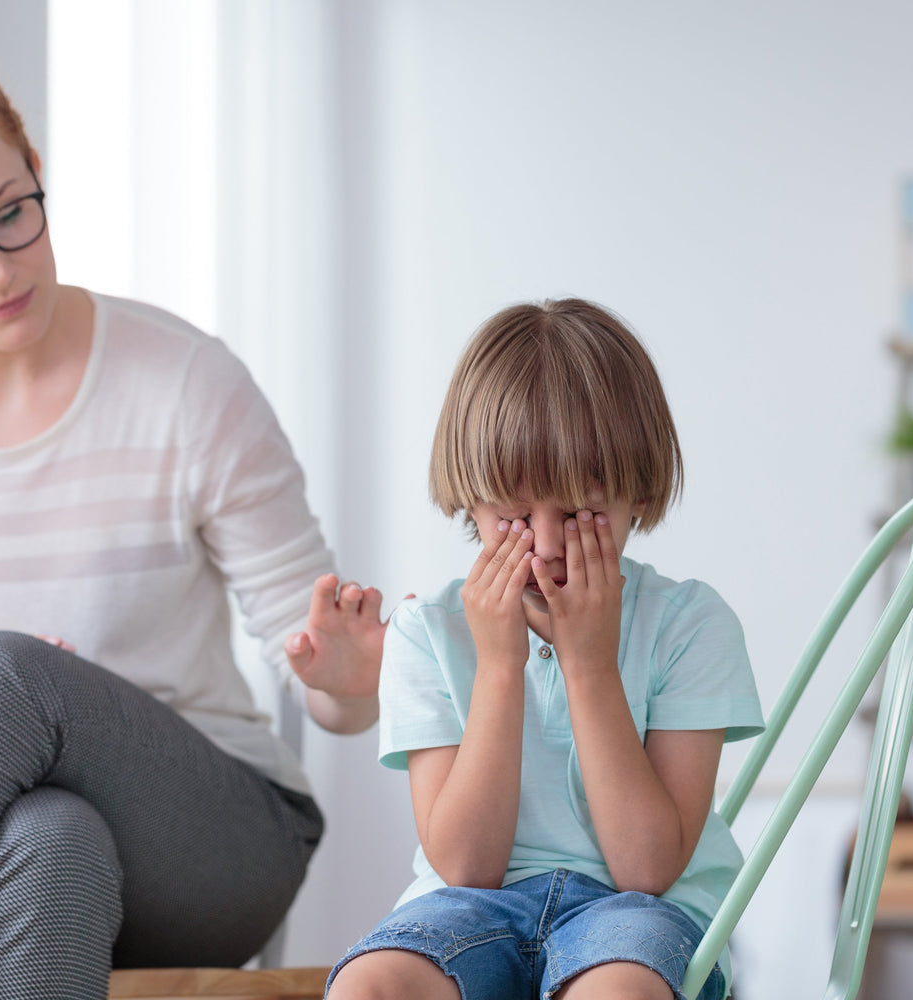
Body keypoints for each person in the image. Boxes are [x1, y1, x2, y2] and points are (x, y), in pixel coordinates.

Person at [0, 14, 387, 999]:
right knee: (46, 829)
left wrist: (349, 684)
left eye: (9, 214)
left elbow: (324, 677)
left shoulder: (187, 380)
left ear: (34, 167)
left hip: (218, 843)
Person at [325, 300, 766, 1000]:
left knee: (616, 991)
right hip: (470, 909)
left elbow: (648, 868)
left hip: (638, 914)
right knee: (368, 985)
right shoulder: (427, 631)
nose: (550, 544)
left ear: (637, 496)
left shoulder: (690, 624)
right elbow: (466, 868)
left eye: (581, 512)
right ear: (471, 501)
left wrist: (589, 664)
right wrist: (500, 666)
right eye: (515, 516)